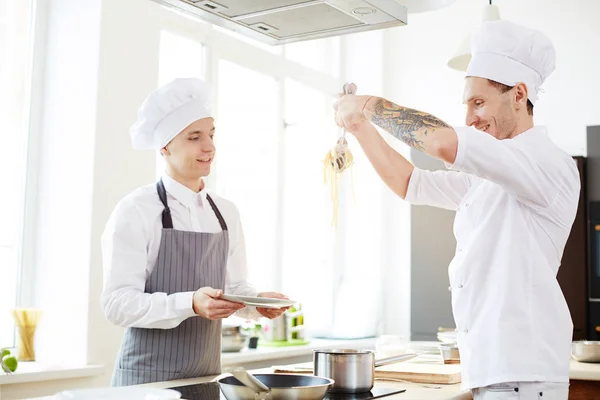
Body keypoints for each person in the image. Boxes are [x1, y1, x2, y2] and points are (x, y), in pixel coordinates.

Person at [333, 20, 579, 399]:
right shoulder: (491, 176)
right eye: (466, 104)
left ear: (519, 94)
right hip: (496, 371)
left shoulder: (546, 163)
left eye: (478, 102)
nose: (469, 118)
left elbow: (444, 143)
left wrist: (369, 105)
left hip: (523, 375)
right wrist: (362, 128)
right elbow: (411, 184)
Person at [101, 77, 289, 386]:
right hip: (145, 384)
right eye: (194, 137)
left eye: (212, 135)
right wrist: (189, 303)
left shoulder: (225, 211)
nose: (210, 147)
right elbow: (117, 304)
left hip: (205, 379)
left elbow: (234, 287)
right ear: (164, 146)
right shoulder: (137, 209)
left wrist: (258, 303)